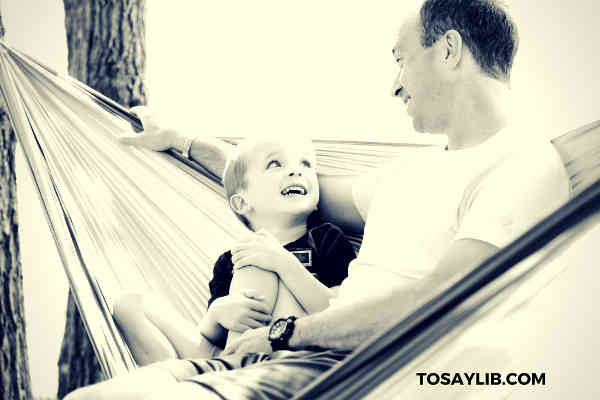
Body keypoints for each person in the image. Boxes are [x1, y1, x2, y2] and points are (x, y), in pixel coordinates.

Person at [65, 1, 570, 399]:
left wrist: (285, 332)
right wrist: (185, 141)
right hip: (275, 357)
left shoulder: (522, 164)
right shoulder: (408, 172)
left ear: (449, 50)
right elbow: (282, 189)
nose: (396, 85)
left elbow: (442, 301)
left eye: (400, 59)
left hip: (350, 369)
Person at [112, 137, 355, 365]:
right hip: (229, 359)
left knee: (256, 262)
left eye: (306, 163)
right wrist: (218, 313)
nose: (296, 170)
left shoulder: (326, 238)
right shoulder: (229, 260)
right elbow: (211, 336)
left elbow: (339, 314)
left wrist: (281, 262)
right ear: (242, 203)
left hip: (296, 357)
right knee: (130, 304)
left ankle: (222, 381)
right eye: (275, 164)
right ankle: (178, 384)